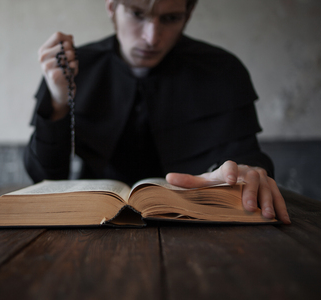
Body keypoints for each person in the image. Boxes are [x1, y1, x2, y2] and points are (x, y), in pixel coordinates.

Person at [24, 0, 291, 224]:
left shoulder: (222, 70)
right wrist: (58, 101)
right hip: (92, 223)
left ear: (188, 15)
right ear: (111, 7)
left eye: (171, 18)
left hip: (199, 226)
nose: (151, 37)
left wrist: (246, 172)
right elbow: (43, 175)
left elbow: (245, 154)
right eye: (137, 14)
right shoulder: (74, 69)